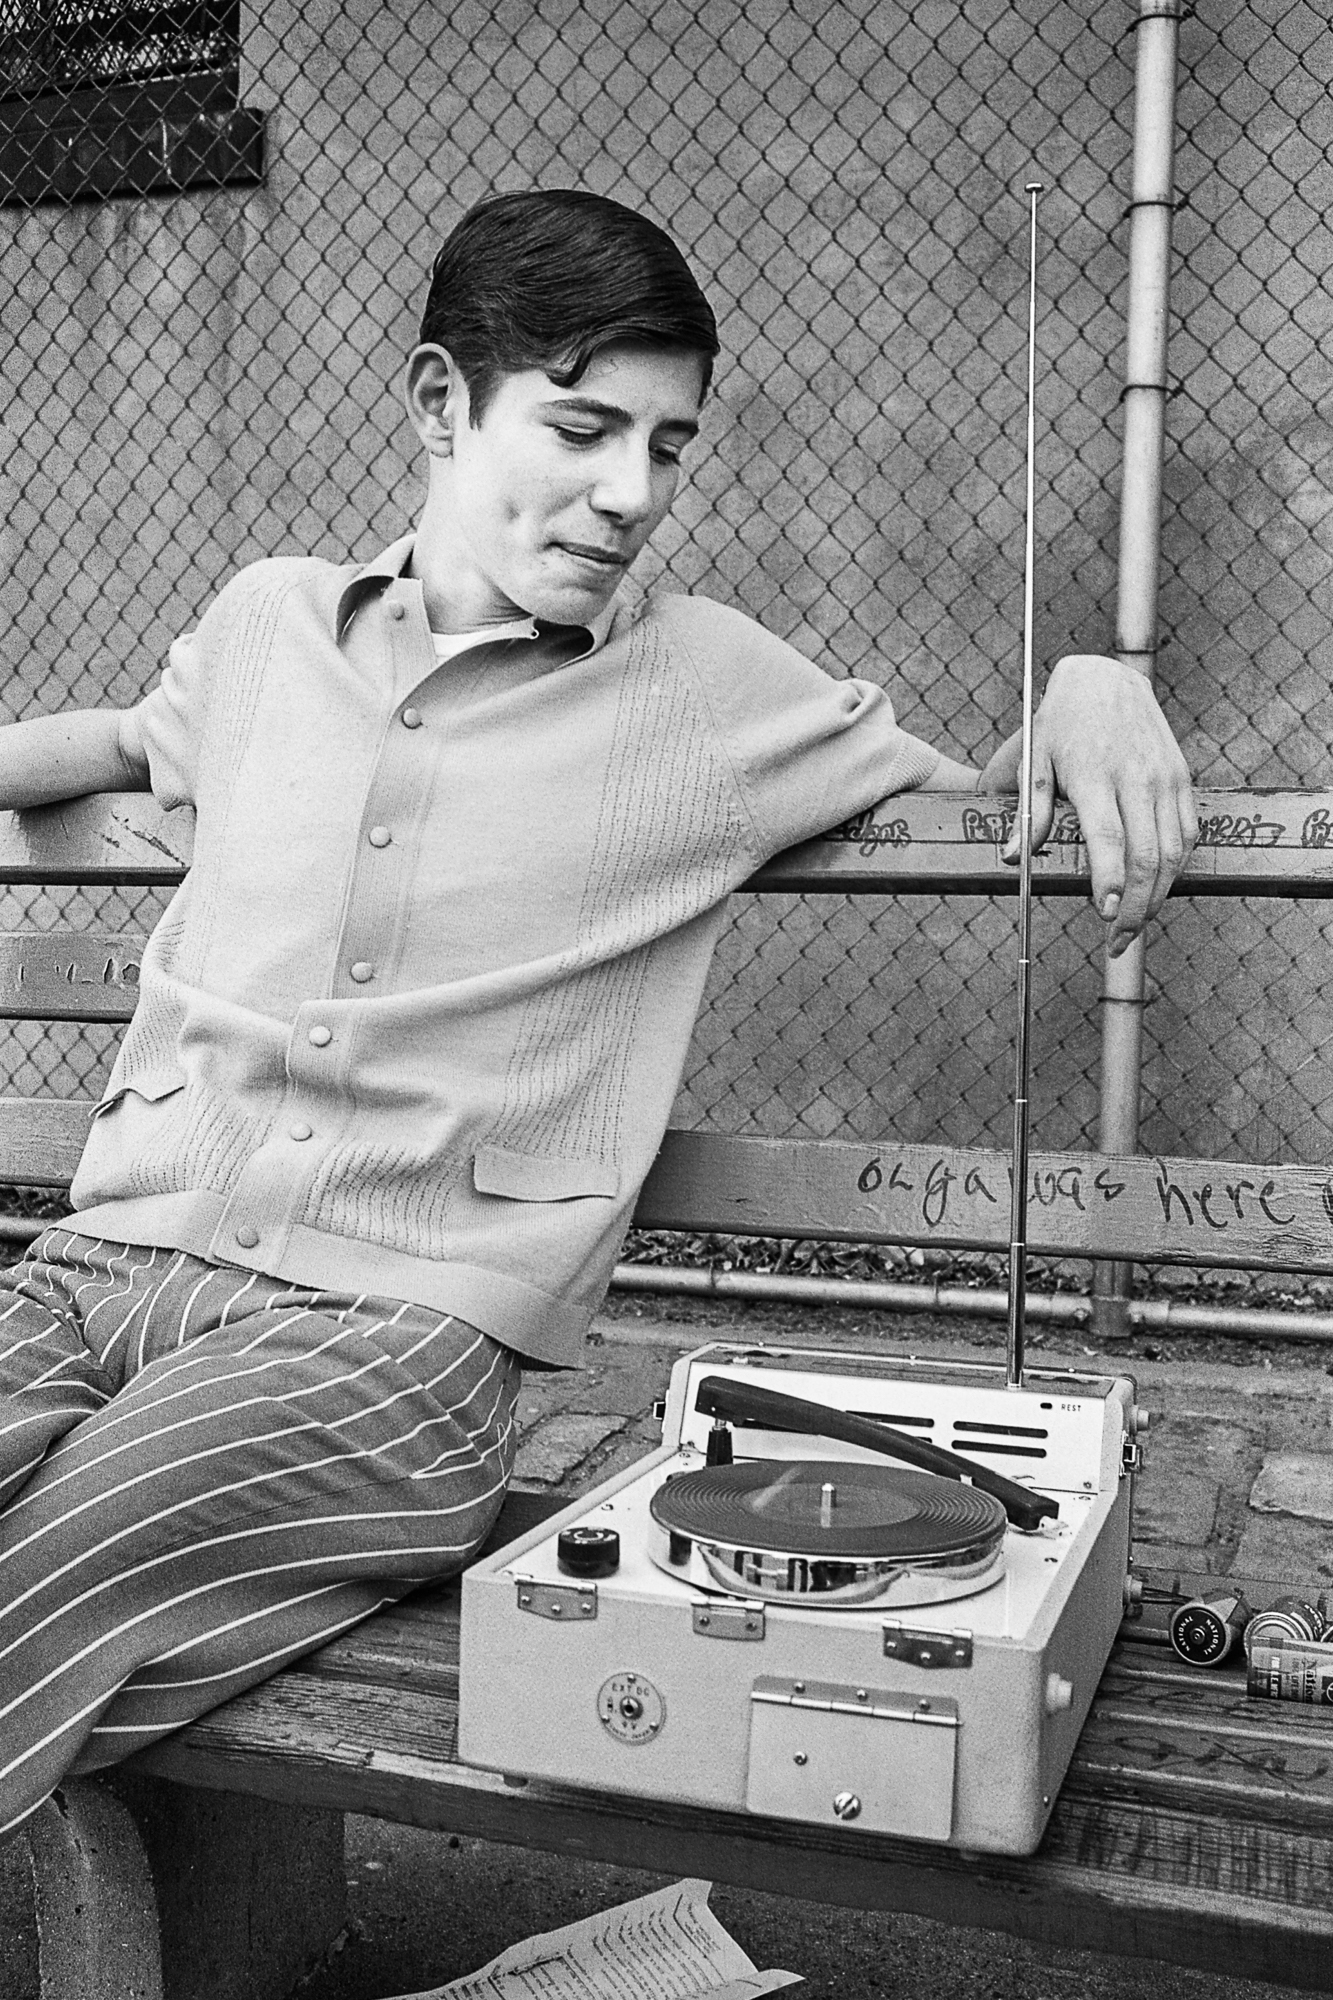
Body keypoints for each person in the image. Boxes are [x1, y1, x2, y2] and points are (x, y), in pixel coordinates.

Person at [0, 188, 1195, 1837]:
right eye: (581, 429)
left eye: (669, 446)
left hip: (384, 1345)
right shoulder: (270, 623)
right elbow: (135, 739)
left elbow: (984, 804)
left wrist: (1089, 680)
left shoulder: (711, 690)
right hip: (95, 1271)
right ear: (440, 404)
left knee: (30, 1585)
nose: (631, 494)